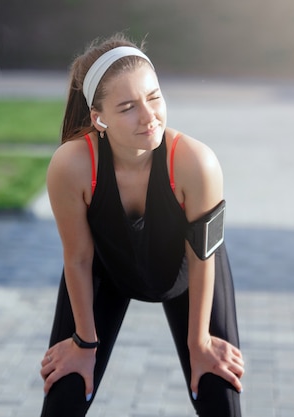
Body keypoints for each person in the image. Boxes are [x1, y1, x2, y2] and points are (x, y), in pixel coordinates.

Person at [39, 32, 244, 417]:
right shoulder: (72, 166)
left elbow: (203, 258)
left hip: (190, 270)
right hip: (105, 272)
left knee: (219, 391)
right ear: (98, 118)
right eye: (128, 106)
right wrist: (83, 344)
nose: (149, 117)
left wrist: (199, 343)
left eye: (154, 97)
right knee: (64, 394)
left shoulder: (197, 163)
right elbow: (78, 260)